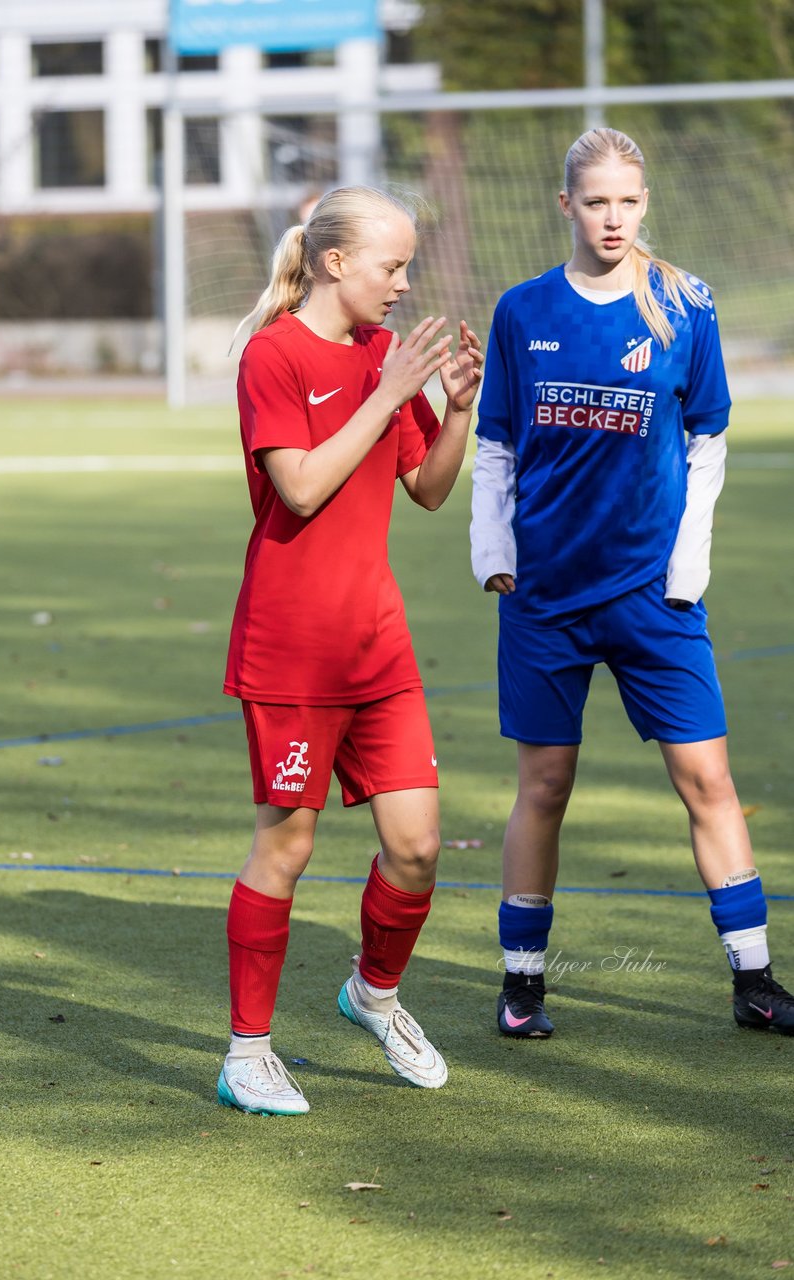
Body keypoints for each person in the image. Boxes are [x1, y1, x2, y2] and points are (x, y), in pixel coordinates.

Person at [471, 127, 794, 1041]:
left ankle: (756, 983)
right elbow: (494, 447)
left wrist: (687, 566)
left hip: (657, 597)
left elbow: (708, 443)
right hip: (545, 598)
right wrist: (492, 549)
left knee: (708, 778)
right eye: (595, 201)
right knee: (545, 786)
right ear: (565, 205)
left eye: (628, 201)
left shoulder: (685, 305)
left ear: (645, 203)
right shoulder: (521, 309)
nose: (613, 218)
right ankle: (522, 984)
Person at [220, 185, 484, 1115]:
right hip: (291, 650)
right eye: (392, 266)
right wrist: (385, 396)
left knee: (416, 849)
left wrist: (453, 412)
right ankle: (246, 1054)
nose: (405, 284)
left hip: (378, 644)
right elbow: (297, 488)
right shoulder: (274, 354)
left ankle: (372, 994)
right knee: (285, 850)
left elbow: (427, 491)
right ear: (336, 264)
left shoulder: (385, 356)